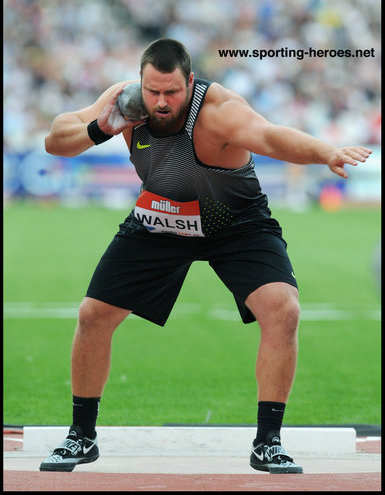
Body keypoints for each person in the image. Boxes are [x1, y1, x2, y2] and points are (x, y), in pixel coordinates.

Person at [39, 38, 371, 474]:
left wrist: (325, 151)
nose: (160, 101)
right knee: (93, 315)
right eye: (153, 90)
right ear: (141, 81)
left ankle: (267, 442)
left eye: (172, 92)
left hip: (235, 222)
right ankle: (81, 437)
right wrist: (100, 128)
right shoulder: (124, 102)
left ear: (189, 81)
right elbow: (55, 141)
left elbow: (271, 136)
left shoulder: (218, 110)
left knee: (283, 309)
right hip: (161, 216)